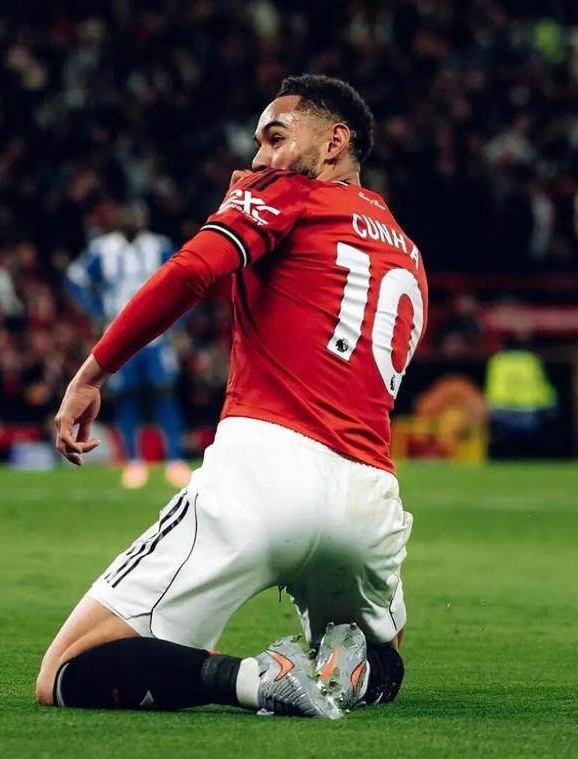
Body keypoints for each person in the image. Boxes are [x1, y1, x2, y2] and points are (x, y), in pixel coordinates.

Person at [36, 74, 428, 718]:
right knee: (378, 652)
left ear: (335, 141)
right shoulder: (408, 252)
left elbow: (192, 271)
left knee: (66, 672)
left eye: (276, 137)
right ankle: (349, 673)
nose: (260, 157)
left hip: (264, 473)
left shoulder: (286, 193)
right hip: (369, 500)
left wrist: (91, 373)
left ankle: (255, 679)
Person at [67, 202, 190, 489]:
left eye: (137, 214)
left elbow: (187, 279)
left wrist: (178, 321)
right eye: (127, 214)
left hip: (157, 334)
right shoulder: (103, 248)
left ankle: (175, 460)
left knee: (165, 393)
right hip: (119, 334)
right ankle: (134, 462)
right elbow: (75, 278)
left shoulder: (159, 246)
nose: (133, 219)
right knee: (127, 396)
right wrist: (98, 312)